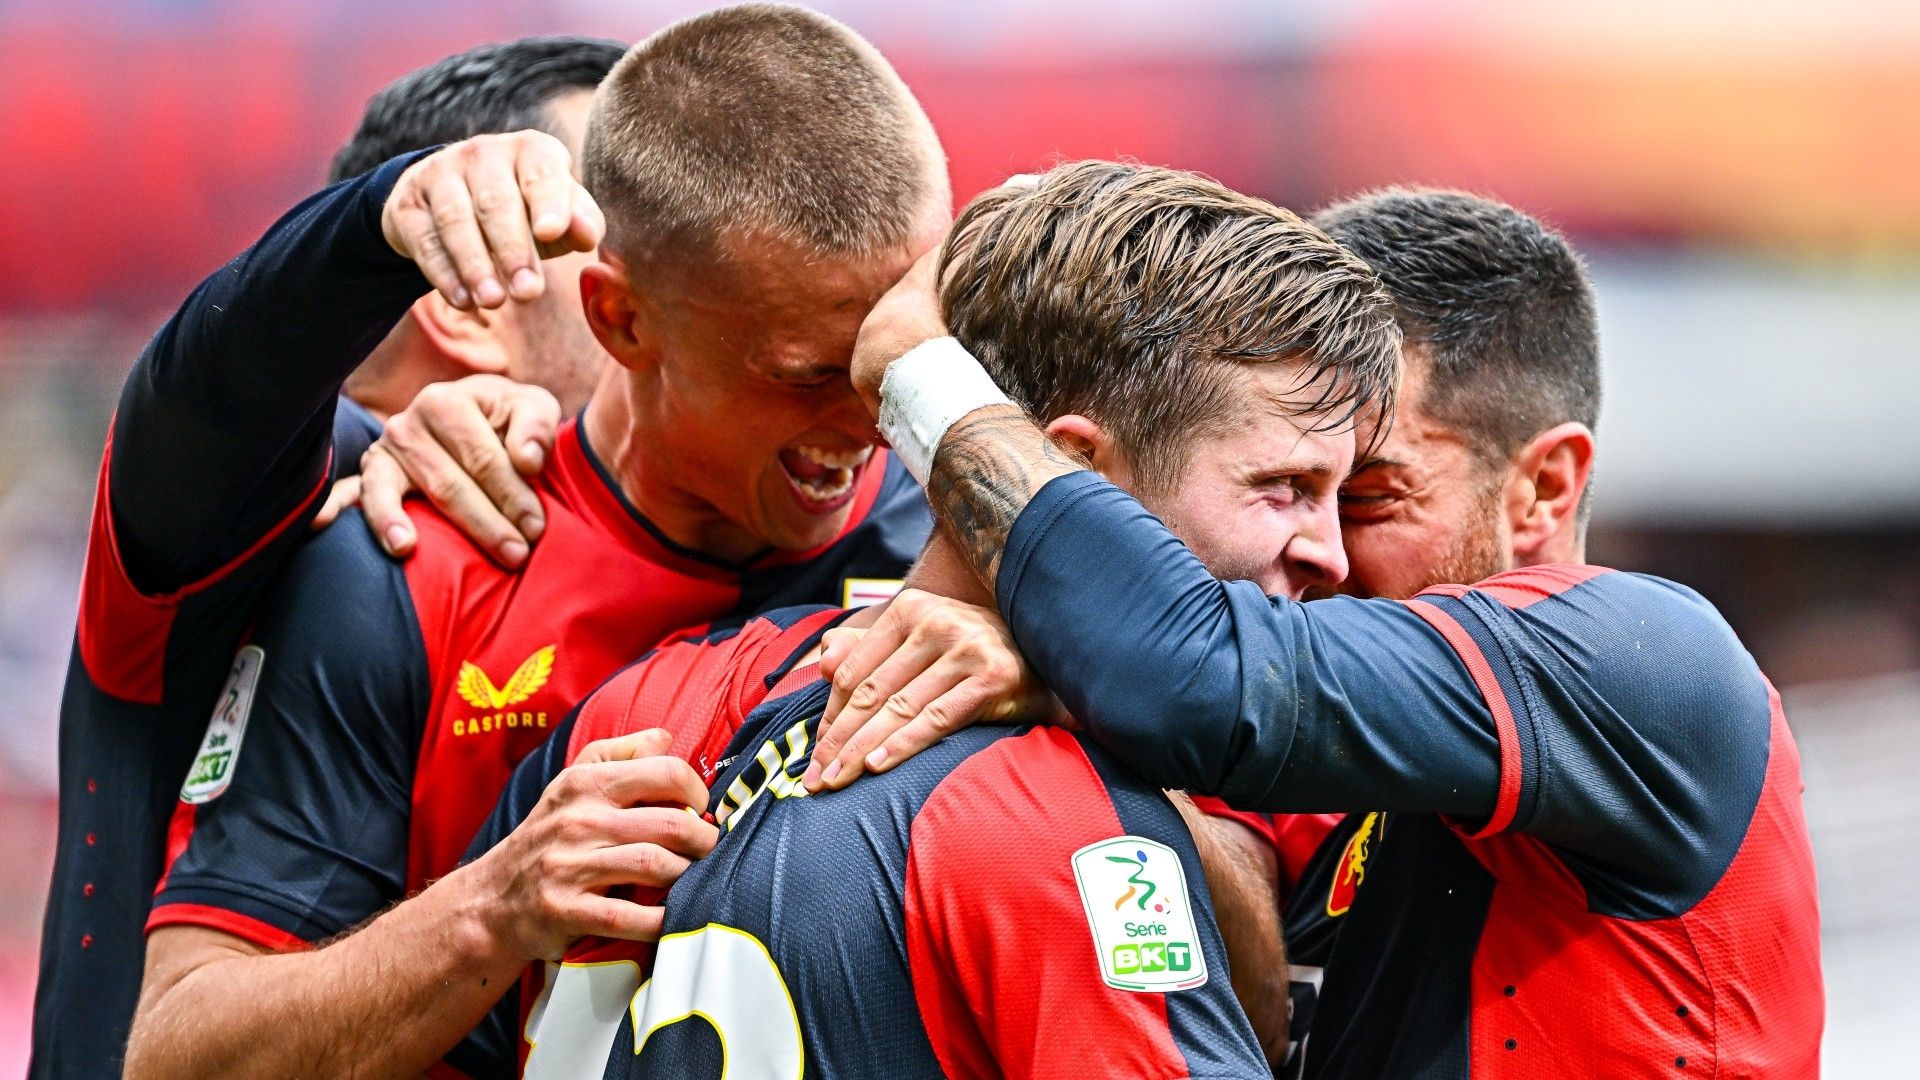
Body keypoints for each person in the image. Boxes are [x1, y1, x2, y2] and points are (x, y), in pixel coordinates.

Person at [822, 186, 1825, 1077]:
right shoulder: (1364, 744)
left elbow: (1186, 676)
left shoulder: (1633, 659)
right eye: (1290, 484)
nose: (1324, 554)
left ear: (1544, 486)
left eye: (1371, 495)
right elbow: (1246, 1001)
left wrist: (923, 380)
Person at [125, 7, 946, 1076]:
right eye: (806, 375)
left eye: (903, 354)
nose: (872, 417)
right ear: (621, 322)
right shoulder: (404, 565)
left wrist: (1044, 648)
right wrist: (495, 906)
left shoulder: (969, 527)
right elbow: (178, 1055)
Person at [461, 159, 1401, 1078]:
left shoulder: (649, 702)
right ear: (1070, 473)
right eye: (1285, 489)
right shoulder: (1063, 824)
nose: (1335, 554)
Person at [30, 35, 626, 1078]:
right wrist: (380, 220)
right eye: (614, 216)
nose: (671, 257)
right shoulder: (279, 507)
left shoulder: (716, 529)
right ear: (471, 288)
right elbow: (211, 386)